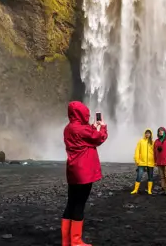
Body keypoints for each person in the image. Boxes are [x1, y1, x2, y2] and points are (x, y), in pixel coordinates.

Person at [62, 101, 108, 246]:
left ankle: (66, 241)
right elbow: (99, 138)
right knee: (79, 204)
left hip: (73, 171)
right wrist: (103, 127)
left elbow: (86, 137)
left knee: (70, 203)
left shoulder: (68, 128)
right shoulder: (82, 130)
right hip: (85, 172)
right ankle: (76, 241)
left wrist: (92, 127)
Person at [130, 128, 155, 195]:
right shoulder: (140, 141)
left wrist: (155, 161)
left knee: (150, 176)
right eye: (146, 133)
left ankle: (149, 190)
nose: (147, 134)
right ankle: (135, 190)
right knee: (139, 176)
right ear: (145, 134)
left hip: (150, 162)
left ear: (150, 134)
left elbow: (155, 152)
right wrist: (137, 160)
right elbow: (137, 151)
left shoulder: (153, 142)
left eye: (149, 133)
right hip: (142, 162)